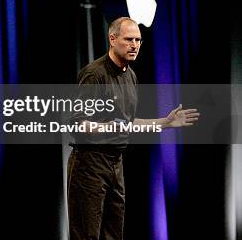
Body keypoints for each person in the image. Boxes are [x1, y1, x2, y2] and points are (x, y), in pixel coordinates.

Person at [67, 17, 200, 240]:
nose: (135, 45)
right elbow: (77, 123)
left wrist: (164, 123)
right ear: (112, 39)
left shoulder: (131, 75)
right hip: (89, 164)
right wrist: (106, 128)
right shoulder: (95, 74)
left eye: (138, 40)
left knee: (114, 234)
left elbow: (127, 122)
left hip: (115, 162)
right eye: (129, 39)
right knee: (86, 235)